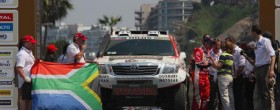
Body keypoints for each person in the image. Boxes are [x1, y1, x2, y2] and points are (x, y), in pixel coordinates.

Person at [251, 24, 276, 110]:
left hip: (265, 68)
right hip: (258, 68)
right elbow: (257, 59)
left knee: (266, 92)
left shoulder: (265, 41)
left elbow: (272, 55)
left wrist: (271, 69)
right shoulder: (257, 43)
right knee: (261, 92)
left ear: (254, 32)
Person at [189, 34, 212, 110]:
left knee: (206, 96)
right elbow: (198, 64)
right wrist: (208, 64)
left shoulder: (208, 51)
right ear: (204, 42)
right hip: (198, 75)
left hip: (206, 75)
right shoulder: (198, 50)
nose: (210, 44)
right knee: (198, 96)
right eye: (208, 42)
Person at [210, 40, 234, 110]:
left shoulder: (223, 55)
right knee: (230, 96)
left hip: (223, 77)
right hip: (230, 76)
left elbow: (218, 66)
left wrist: (213, 60)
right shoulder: (231, 56)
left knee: (224, 97)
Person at [16, 35, 37, 110]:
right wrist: (25, 78)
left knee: (29, 99)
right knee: (23, 99)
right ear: (26, 43)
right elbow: (19, 68)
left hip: (30, 79)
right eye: (31, 43)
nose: (33, 44)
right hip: (25, 80)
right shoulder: (22, 54)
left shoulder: (29, 52)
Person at [225, 36, 246, 110]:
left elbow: (242, 65)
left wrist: (235, 74)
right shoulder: (229, 52)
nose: (226, 45)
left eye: (227, 43)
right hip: (231, 77)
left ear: (232, 42)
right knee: (232, 96)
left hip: (238, 76)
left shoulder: (239, 51)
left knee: (238, 96)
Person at [207, 39, 222, 110]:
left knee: (221, 97)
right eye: (216, 46)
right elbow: (211, 65)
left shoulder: (222, 53)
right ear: (213, 45)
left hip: (220, 76)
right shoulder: (209, 54)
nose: (218, 47)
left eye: (219, 45)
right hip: (212, 77)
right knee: (212, 97)